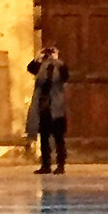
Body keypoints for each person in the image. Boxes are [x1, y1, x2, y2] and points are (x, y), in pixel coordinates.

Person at [27, 45, 68, 174]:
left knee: (58, 138)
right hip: (43, 107)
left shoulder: (60, 67)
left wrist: (56, 60)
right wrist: (38, 57)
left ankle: (61, 165)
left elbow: (65, 76)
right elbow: (30, 68)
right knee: (44, 137)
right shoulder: (41, 67)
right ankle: (46, 165)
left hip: (56, 107)